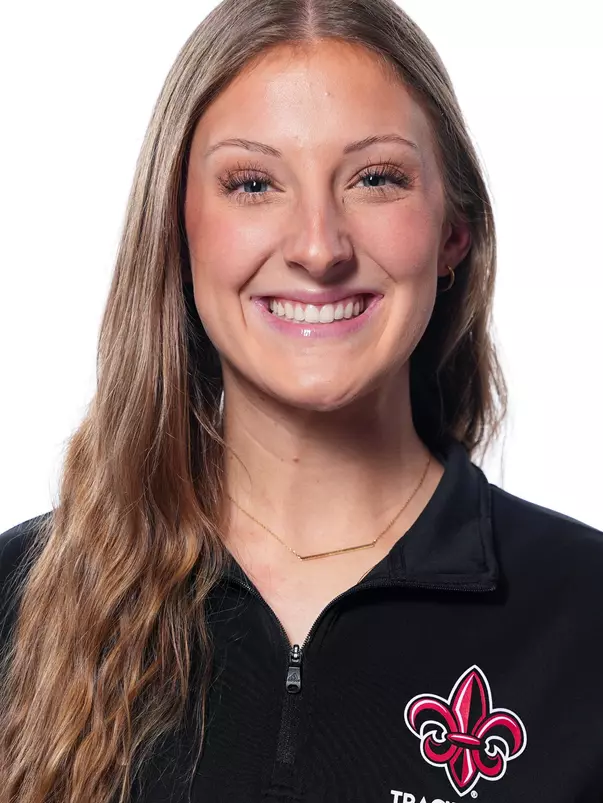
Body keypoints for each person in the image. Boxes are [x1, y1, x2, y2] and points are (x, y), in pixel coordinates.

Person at [1, 0, 602, 801]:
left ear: (452, 232)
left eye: (375, 179)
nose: (318, 247)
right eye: (252, 183)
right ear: (177, 231)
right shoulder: (17, 598)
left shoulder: (583, 615)